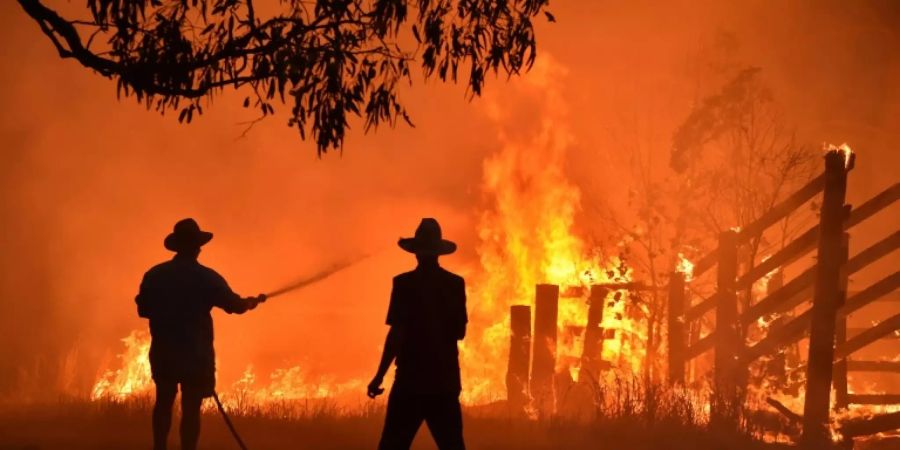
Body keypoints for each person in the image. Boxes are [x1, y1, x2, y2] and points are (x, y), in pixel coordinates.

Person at [136, 218, 266, 450]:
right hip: (195, 354)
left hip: (164, 351)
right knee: (191, 407)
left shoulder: (155, 275)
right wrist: (249, 302)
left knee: (163, 402)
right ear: (197, 247)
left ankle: (159, 448)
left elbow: (143, 310)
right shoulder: (207, 277)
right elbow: (234, 306)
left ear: (177, 247)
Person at [368, 218, 468, 450]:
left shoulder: (403, 284)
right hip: (444, 381)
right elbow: (460, 332)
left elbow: (397, 334)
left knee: (392, 445)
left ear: (415, 253)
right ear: (438, 253)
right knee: (453, 445)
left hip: (410, 382)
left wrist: (379, 376)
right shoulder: (454, 284)